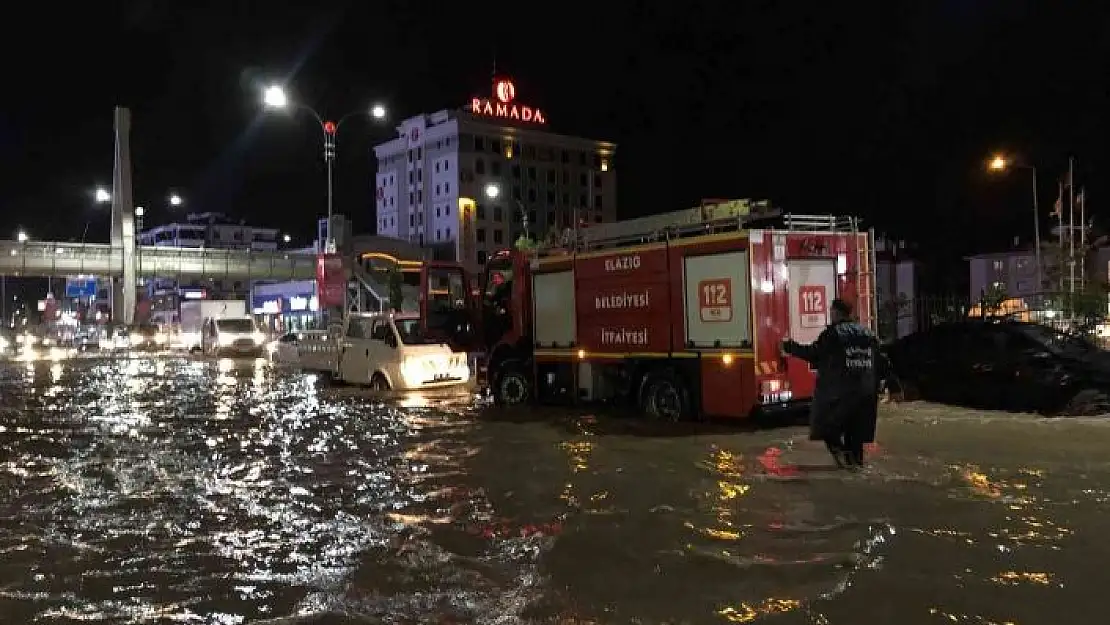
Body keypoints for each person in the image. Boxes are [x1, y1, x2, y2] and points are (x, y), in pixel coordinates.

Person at [781, 298, 887, 469]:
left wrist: (789, 346)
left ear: (836, 313)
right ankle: (855, 469)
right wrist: (889, 385)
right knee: (856, 436)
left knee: (827, 429)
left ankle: (844, 462)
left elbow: (814, 353)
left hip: (840, 395)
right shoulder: (869, 334)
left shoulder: (833, 334)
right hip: (866, 395)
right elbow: (882, 362)